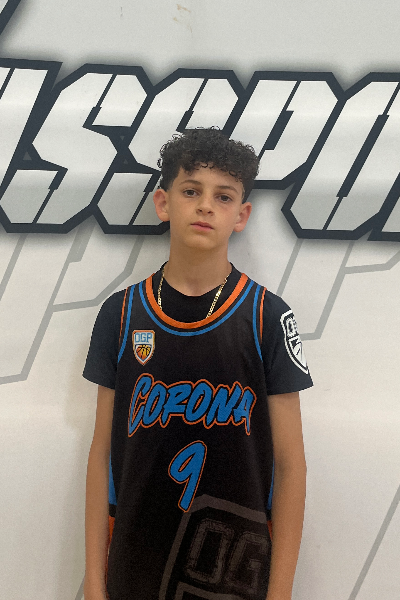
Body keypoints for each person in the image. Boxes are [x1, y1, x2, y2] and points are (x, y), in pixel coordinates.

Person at [83, 127, 312, 600]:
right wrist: (94, 581)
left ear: (241, 215)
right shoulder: (120, 314)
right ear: (163, 203)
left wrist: (281, 593)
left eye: (223, 196)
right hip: (135, 565)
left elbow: (291, 465)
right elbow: (101, 453)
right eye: (191, 191)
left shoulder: (267, 316)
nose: (206, 206)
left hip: (234, 568)